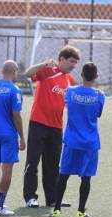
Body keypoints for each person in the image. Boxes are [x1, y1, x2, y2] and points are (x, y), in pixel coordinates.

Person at [22, 46, 80, 208]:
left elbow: (80, 94)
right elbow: (27, 73)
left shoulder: (70, 80)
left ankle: (52, 198)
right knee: (33, 161)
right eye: (71, 61)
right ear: (61, 59)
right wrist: (43, 64)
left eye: (75, 62)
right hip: (38, 123)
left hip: (56, 127)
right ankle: (30, 197)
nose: (73, 65)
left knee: (53, 164)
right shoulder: (48, 71)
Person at [50, 62, 105, 217]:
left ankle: (57, 209)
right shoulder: (99, 95)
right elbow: (98, 113)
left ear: (81, 75)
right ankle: (80, 211)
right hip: (90, 142)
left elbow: (67, 105)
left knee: (64, 175)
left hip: (72, 140)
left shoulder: (71, 91)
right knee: (86, 177)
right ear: (96, 77)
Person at [0, 60, 26, 216]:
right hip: (8, 135)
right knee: (6, 170)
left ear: (2, 71)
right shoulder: (15, 91)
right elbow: (17, 116)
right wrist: (21, 137)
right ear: (14, 72)